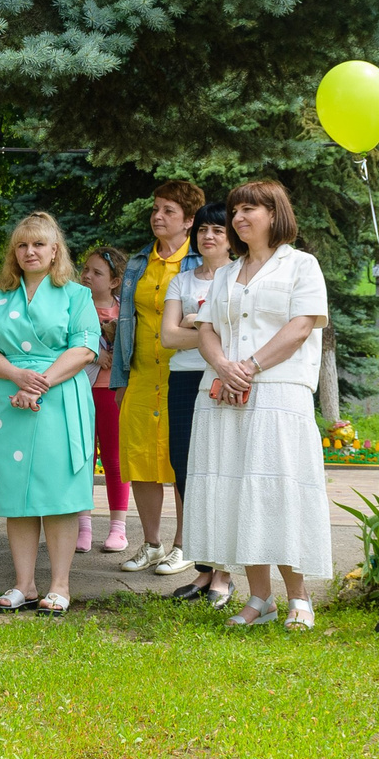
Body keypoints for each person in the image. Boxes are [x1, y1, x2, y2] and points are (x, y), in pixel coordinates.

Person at [184, 181, 332, 629]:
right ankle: (259, 598)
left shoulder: (302, 266)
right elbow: (207, 328)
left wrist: (247, 366)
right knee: (235, 491)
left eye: (249, 209)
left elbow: (301, 326)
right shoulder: (227, 272)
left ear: (274, 213)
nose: (238, 218)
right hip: (223, 391)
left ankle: (299, 598)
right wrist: (225, 367)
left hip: (279, 392)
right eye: (235, 211)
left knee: (276, 489)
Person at [0, 212, 100, 616]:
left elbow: (84, 348)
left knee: (58, 493)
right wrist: (16, 375)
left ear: (54, 251)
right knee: (17, 494)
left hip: (59, 396)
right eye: (23, 245)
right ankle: (24, 585)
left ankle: (60, 585)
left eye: (39, 244)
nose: (30, 251)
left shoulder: (76, 295)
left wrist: (39, 382)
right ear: (15, 253)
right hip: (8, 399)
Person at [111, 180, 204, 572]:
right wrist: (119, 378)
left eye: (168, 210)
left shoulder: (199, 263)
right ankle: (151, 544)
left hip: (184, 376)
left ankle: (183, 545)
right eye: (156, 208)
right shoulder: (136, 264)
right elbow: (124, 325)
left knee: (181, 458)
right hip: (141, 374)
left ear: (189, 221)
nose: (158, 216)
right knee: (140, 461)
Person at [157, 202, 235, 606]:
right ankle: (203, 571)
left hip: (220, 379)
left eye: (217, 230)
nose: (208, 236)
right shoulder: (182, 282)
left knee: (219, 471)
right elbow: (168, 338)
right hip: (184, 380)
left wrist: (195, 325)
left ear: (230, 237)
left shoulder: (240, 278)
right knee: (186, 470)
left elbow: (239, 338)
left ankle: (224, 574)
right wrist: (210, 331)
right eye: (203, 229)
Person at [74, 246, 130, 555]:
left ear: (114, 281)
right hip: (80, 388)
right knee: (83, 457)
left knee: (114, 458)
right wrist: (98, 355)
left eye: (97, 273)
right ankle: (83, 526)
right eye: (85, 270)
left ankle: (118, 529)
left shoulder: (125, 311)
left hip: (113, 392)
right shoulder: (74, 306)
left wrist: (116, 356)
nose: (87, 276)